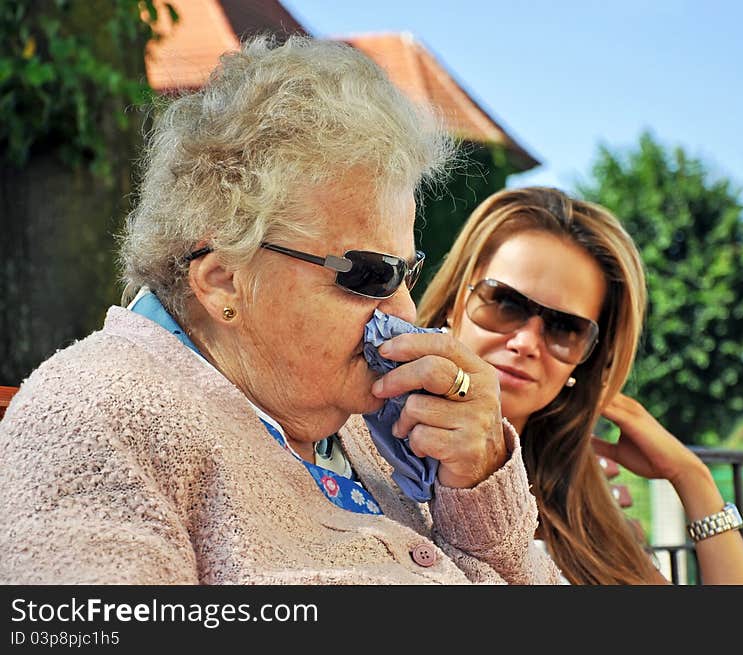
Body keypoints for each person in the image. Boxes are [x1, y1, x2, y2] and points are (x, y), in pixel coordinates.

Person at [0, 36, 562, 585]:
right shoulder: (97, 417)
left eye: (406, 272)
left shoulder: (371, 430)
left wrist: (477, 482)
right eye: (371, 274)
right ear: (224, 281)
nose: (405, 310)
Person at [417, 186, 743, 585]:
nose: (527, 343)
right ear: (454, 303)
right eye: (505, 303)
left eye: (566, 329)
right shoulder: (364, 451)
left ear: (586, 358)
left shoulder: (586, 521)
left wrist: (692, 478)